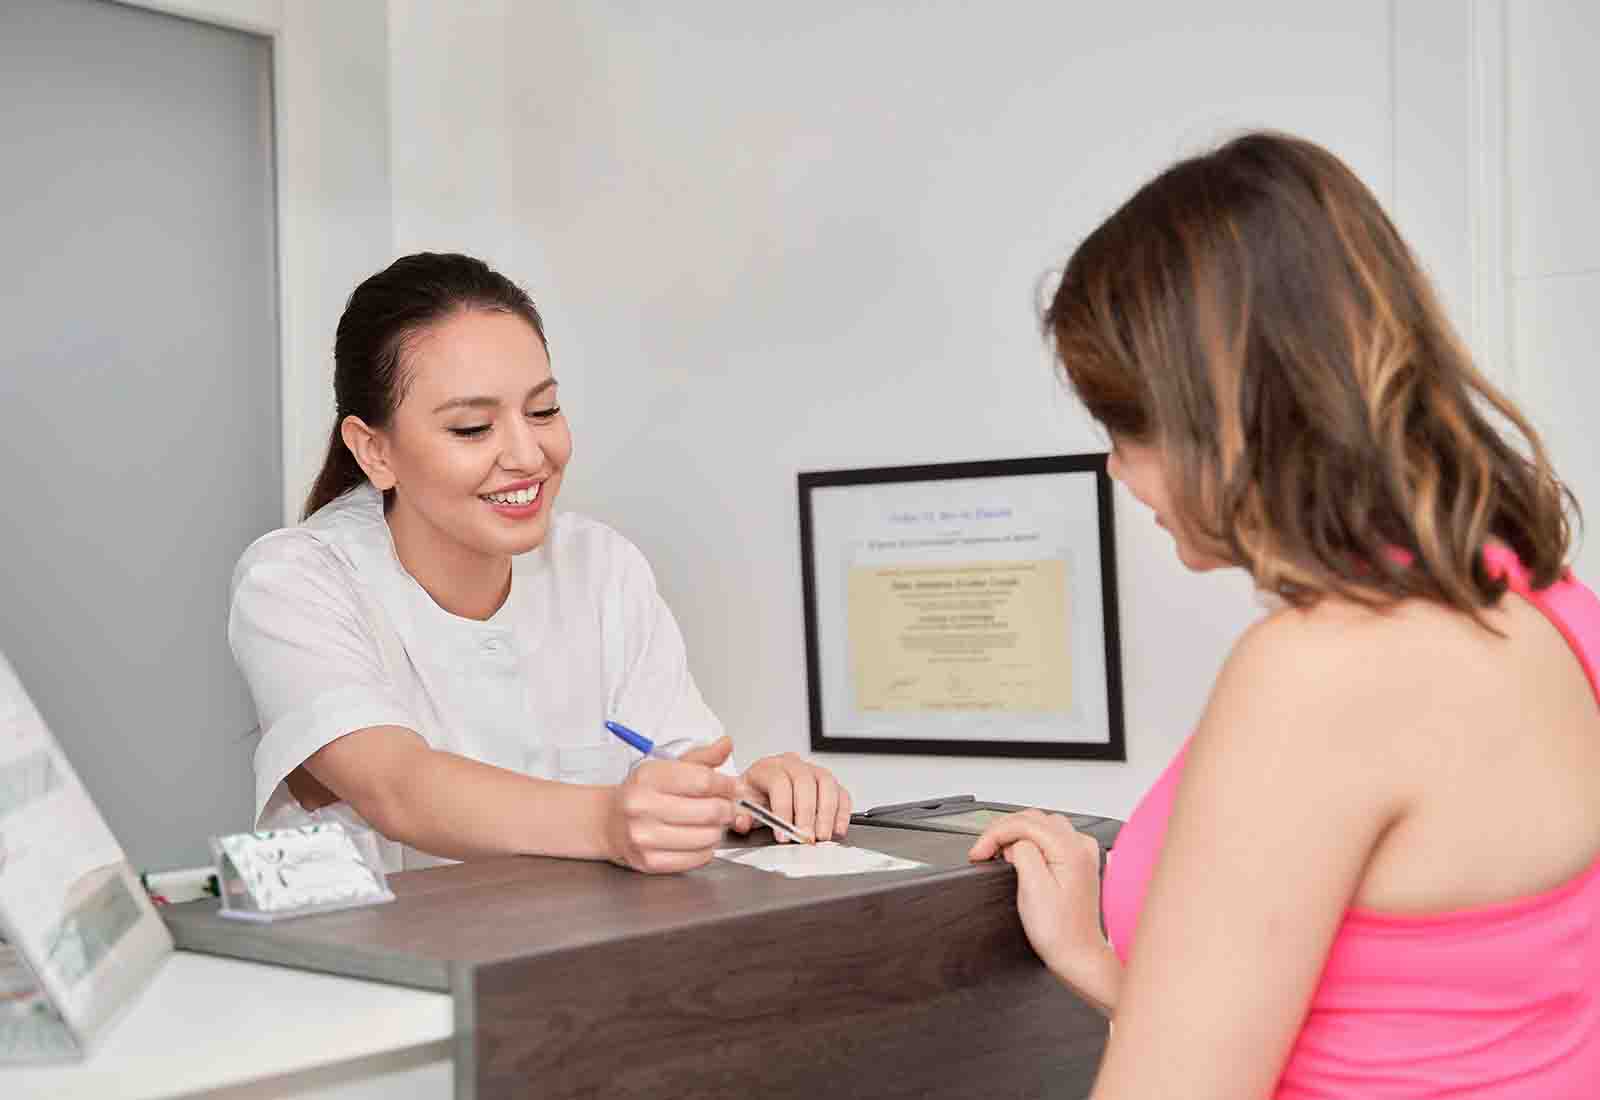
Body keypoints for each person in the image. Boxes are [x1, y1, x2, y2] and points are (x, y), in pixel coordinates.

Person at [970, 132, 1600, 1097]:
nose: (1117, 466)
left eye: (1125, 424)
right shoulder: (1548, 606)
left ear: (1222, 413)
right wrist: (1101, 966)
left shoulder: (1324, 669)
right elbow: (1422, 1027)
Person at [229, 252, 852, 873]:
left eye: (543, 411)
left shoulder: (602, 567)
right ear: (374, 451)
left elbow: (685, 770)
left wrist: (746, 802)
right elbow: (399, 788)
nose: (528, 455)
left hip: (582, 934)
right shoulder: (294, 580)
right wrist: (607, 822)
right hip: (379, 938)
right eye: (472, 427)